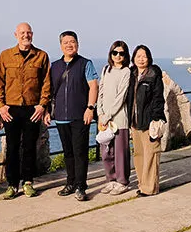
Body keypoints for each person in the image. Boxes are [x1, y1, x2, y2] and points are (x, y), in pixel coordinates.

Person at [0, 22, 51, 199]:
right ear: (15, 35)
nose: (25, 35)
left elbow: (46, 83)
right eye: (22, 33)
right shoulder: (6, 55)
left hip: (33, 109)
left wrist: (42, 105)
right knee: (11, 148)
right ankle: (12, 184)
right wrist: (1, 106)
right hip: (11, 109)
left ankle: (28, 182)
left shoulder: (41, 56)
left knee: (29, 147)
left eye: (28, 32)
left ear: (32, 34)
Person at [45, 31, 99, 201]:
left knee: (80, 152)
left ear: (78, 44)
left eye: (73, 42)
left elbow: (93, 86)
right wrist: (47, 111)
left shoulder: (85, 63)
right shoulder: (54, 66)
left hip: (80, 115)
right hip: (60, 116)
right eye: (66, 42)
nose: (69, 45)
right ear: (61, 46)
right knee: (68, 152)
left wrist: (90, 108)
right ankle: (70, 183)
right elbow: (48, 91)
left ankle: (81, 186)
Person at [127, 44, 167, 196]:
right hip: (135, 122)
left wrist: (156, 119)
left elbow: (158, 98)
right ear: (134, 59)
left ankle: (150, 188)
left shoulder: (153, 74)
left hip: (150, 122)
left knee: (151, 154)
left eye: (144, 56)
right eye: (138, 56)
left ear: (149, 58)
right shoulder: (132, 74)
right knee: (139, 155)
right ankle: (142, 184)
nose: (141, 59)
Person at [96, 40, 131, 195]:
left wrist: (108, 115)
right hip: (104, 118)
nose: (118, 56)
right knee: (106, 152)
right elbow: (100, 92)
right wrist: (100, 113)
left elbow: (121, 96)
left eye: (121, 53)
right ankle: (110, 180)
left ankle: (122, 181)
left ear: (125, 55)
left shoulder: (126, 72)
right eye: (114, 52)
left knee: (120, 152)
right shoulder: (106, 69)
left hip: (119, 118)